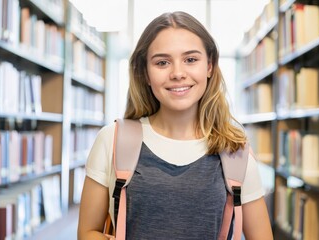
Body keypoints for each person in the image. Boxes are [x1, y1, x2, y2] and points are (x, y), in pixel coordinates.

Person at [77, 11, 273, 240]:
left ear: (209, 66)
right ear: (145, 73)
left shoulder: (235, 152)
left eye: (191, 59)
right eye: (162, 62)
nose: (178, 73)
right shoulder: (113, 140)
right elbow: (87, 232)